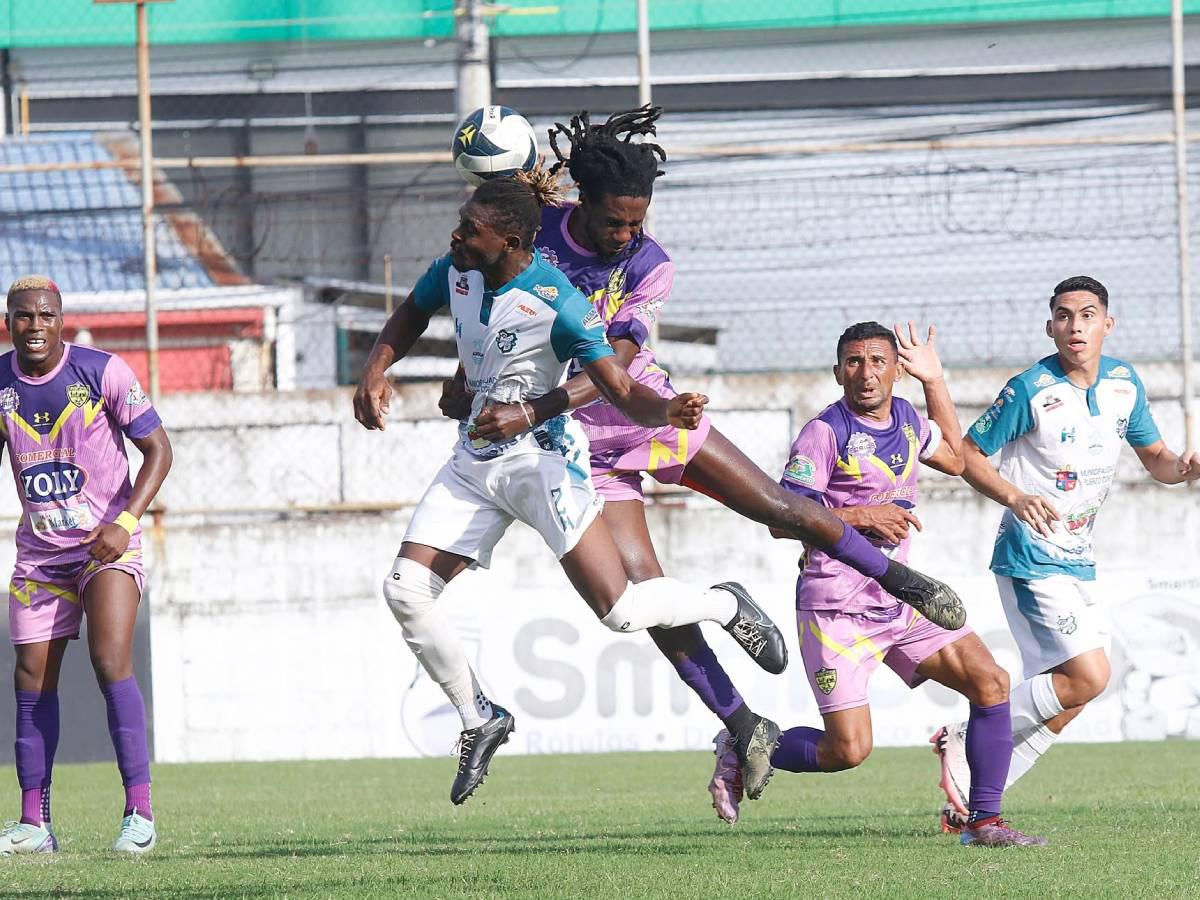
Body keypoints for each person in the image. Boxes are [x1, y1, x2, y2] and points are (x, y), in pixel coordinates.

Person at [354, 166, 963, 807]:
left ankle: (902, 582)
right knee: (636, 601)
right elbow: (469, 323)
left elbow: (614, 372)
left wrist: (629, 411)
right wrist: (422, 374)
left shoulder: (631, 267)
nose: (626, 233)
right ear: (579, 206)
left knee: (778, 507)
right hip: (583, 449)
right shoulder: (516, 239)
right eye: (615, 219)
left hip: (628, 419)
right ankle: (739, 720)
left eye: (636, 221)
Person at [708, 321, 1045, 846]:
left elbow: (956, 460)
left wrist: (935, 380)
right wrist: (864, 515)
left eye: (878, 362)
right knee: (848, 752)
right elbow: (781, 518)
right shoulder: (824, 432)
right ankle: (744, 742)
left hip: (901, 602)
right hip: (836, 611)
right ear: (838, 370)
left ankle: (984, 823)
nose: (866, 374)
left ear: (895, 370)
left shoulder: (909, 417)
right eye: (854, 362)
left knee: (991, 682)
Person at [930, 275, 1199, 828]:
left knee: (1072, 696)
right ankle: (963, 734)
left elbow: (1158, 460)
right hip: (1031, 555)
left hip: (1079, 557)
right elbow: (968, 454)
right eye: (1063, 315)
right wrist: (1014, 495)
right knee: (1093, 675)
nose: (1074, 326)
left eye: (1086, 314)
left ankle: (973, 802)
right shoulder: (1029, 389)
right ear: (1049, 325)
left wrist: (1185, 470)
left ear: (1107, 324)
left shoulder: (1125, 383)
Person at [0, 276, 172, 856]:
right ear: (9, 322)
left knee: (108, 659)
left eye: (45, 315)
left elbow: (159, 450)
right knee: (30, 678)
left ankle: (139, 814)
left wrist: (123, 523)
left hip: (107, 547)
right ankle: (34, 824)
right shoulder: (0, 383)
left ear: (61, 318)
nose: (35, 326)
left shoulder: (103, 372)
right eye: (23, 317)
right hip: (40, 555)